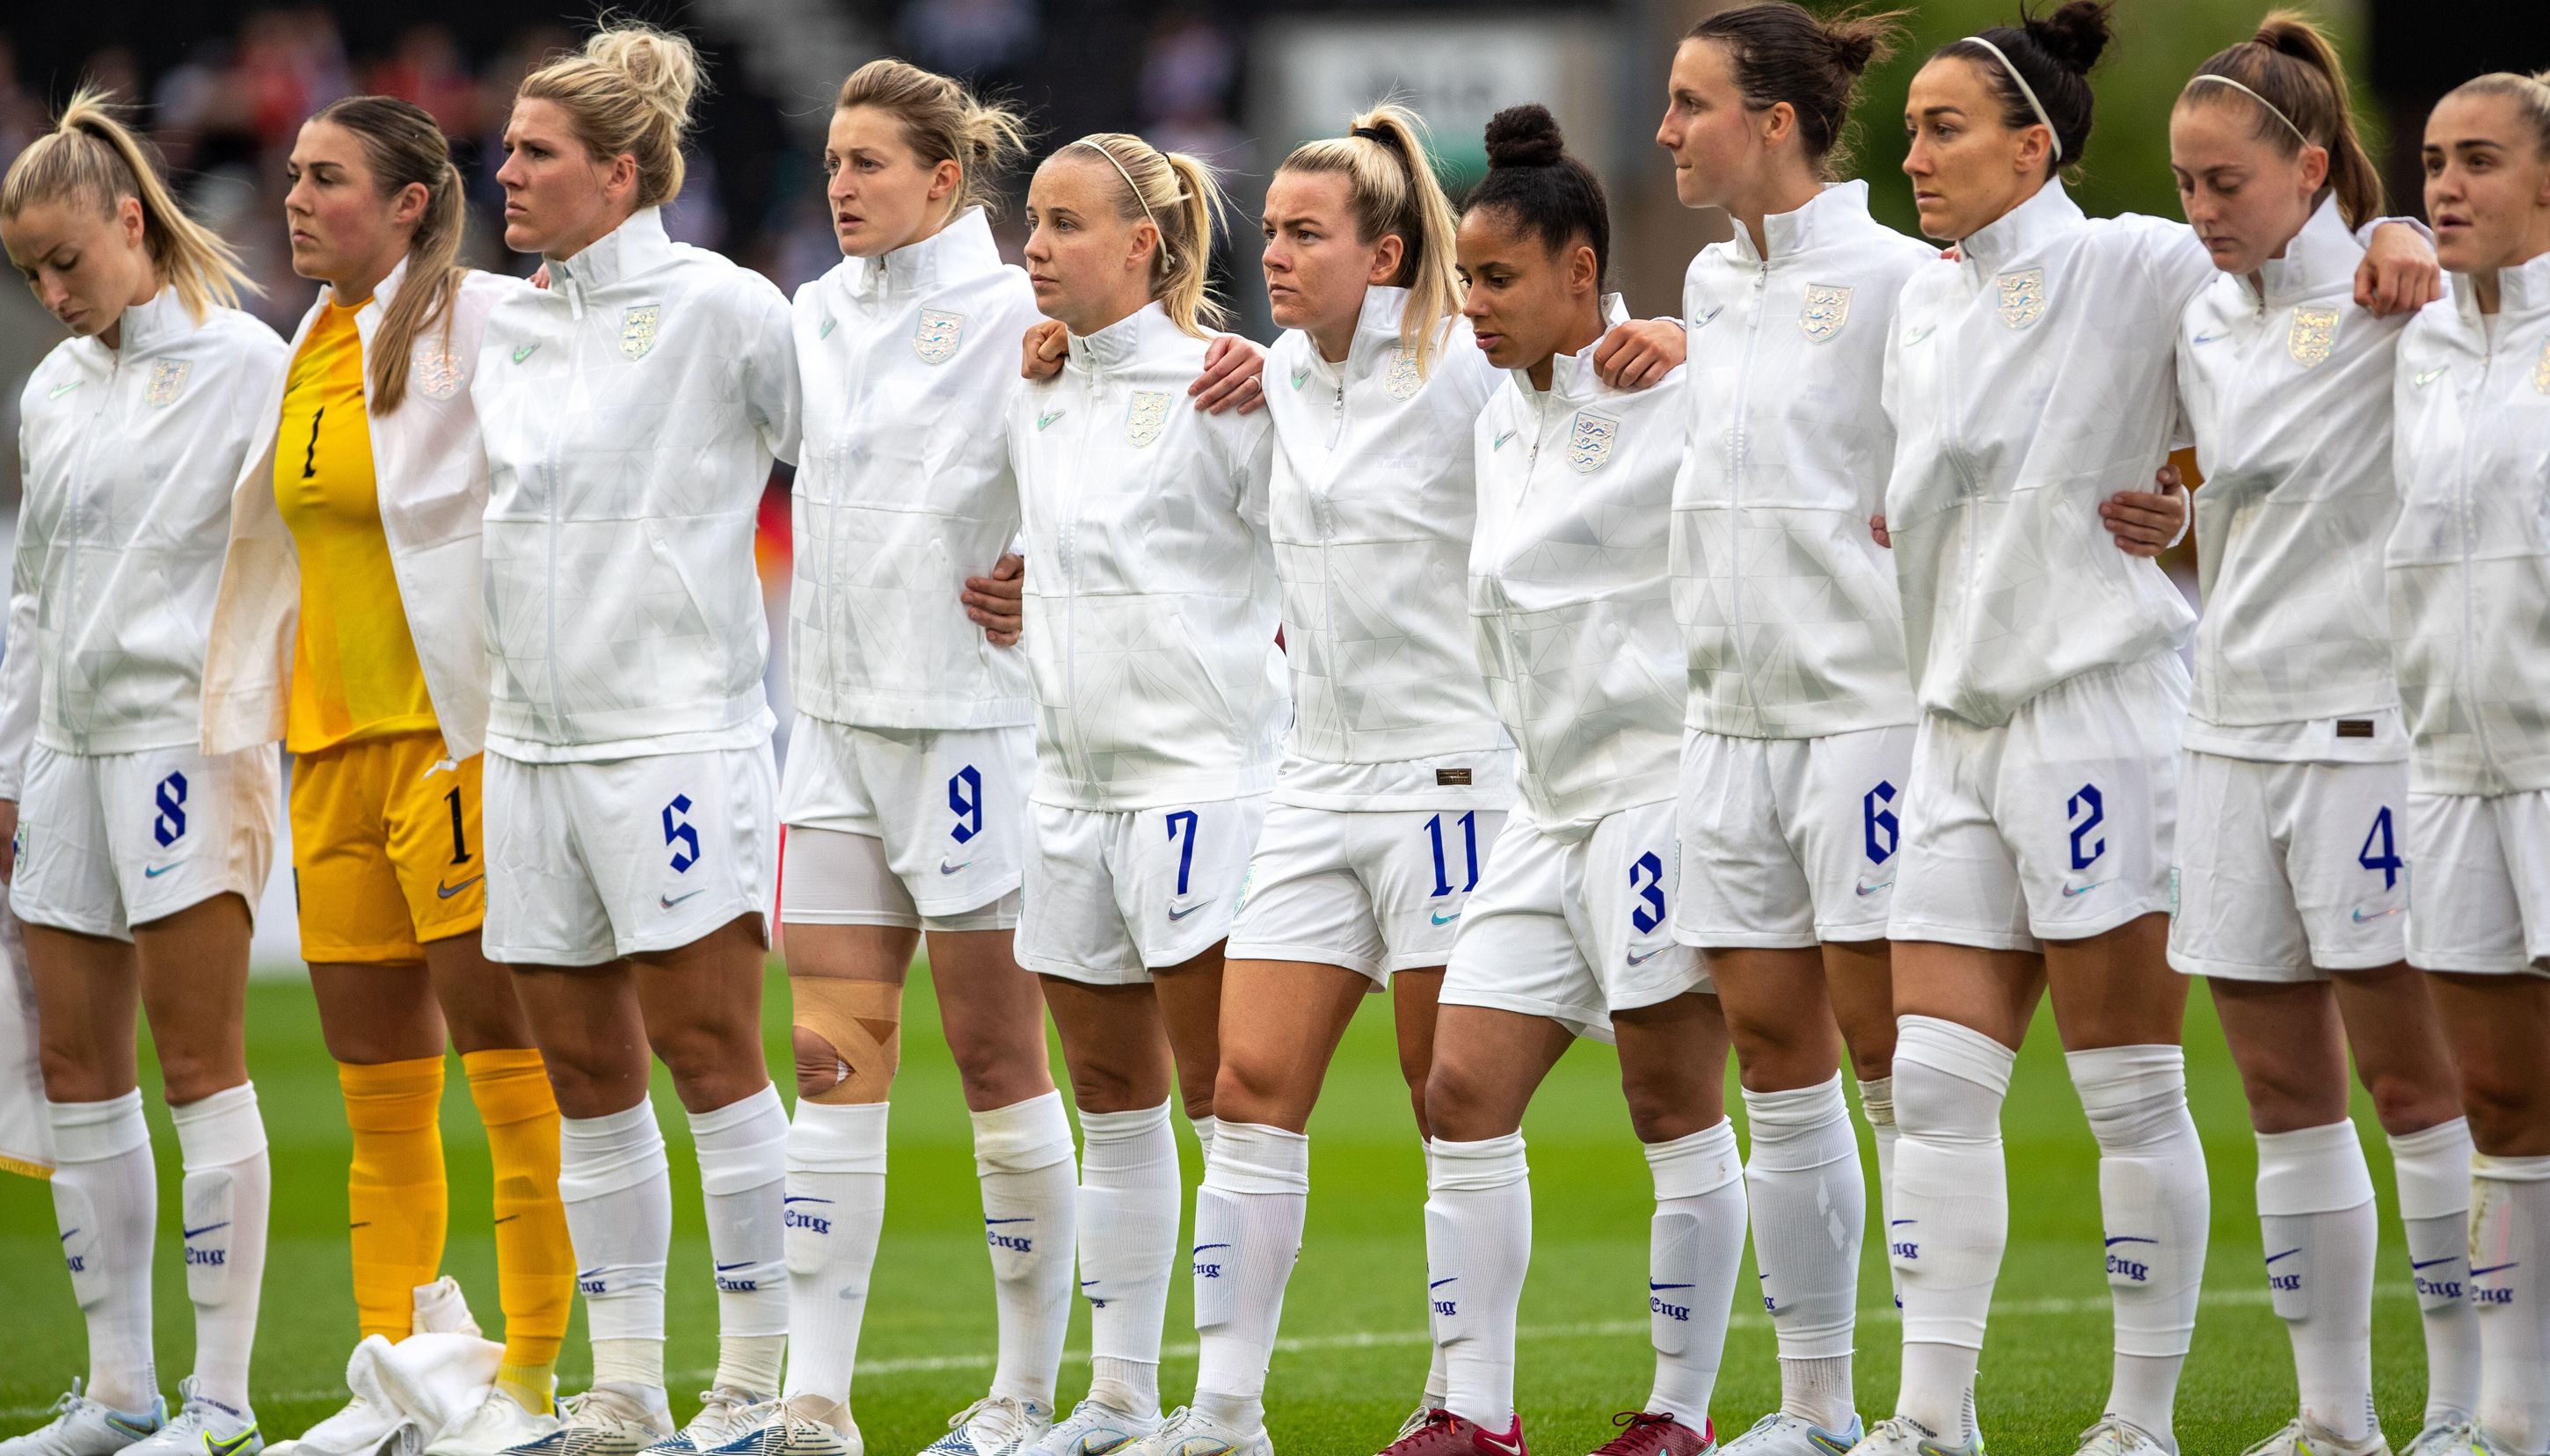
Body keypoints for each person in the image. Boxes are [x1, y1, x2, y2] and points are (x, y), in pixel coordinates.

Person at [1854, 6, 2437, 1455]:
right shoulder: (1920, 299)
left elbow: (2303, 270)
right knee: (1929, 1085)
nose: (1914, 155)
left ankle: (2139, 1419)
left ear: (2032, 147)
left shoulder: (2137, 259)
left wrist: (2398, 232)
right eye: (1911, 128)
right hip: (1952, 722)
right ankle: (1929, 1419)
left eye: (1942, 129)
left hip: (2102, 712)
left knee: (2127, 1090)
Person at [1126, 103, 1685, 1456]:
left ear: (1385, 257)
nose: (1276, 254)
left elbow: (1581, 378)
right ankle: (1223, 1415)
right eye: (1271, 232)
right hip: (1314, 785)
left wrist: (1686, 340)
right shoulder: (1275, 376)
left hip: (1456, 786)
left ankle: (1469, 1403)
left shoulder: (1461, 368)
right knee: (1246, 1088)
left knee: (1454, 1098)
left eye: (1307, 234)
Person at [197, 94, 578, 1456]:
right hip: (325, 756)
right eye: (293, 175)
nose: (295, 199)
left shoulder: (490, 320)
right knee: (379, 1096)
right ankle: (397, 1383)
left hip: (450, 749)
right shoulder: (302, 344)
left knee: (512, 1079)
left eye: (328, 179)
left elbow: (627, 383)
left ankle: (530, 1382)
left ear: (411, 202)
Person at [722, 58, 1067, 1456]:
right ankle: (814, 1400)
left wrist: (1045, 573)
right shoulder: (812, 312)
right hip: (834, 730)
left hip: (969, 729)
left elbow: (1112, 457)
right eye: (831, 162)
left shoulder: (1021, 312)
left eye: (868, 163)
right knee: (830, 1059)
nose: (840, 185)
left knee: (995, 1056)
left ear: (944, 178)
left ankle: (1026, 1393)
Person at [466, 25, 800, 1456]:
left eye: (535, 152)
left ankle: (759, 1382)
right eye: (506, 147)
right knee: (587, 1082)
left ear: (620, 172)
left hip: (675, 739)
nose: (504, 170)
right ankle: (626, 1387)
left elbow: (854, 460)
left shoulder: (725, 307)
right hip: (529, 747)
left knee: (711, 1054)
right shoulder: (504, 320)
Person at [1382, 104, 1728, 1456]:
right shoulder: (1498, 415)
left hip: (1655, 793)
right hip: (1541, 808)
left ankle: (1680, 1412)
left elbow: (1844, 384)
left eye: (1500, 278)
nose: (1473, 304)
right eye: (1466, 279)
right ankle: (1475, 1413)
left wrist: (1712, 343)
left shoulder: (1675, 384)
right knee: (1460, 1092)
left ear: (1583, 271)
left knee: (1671, 1105)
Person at [2161, 20, 2474, 1456]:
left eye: (2225, 183)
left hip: (2363, 739)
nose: (2201, 210)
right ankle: (2334, 1417)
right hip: (2226, 739)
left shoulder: (2393, 290)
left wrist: (2406, 229)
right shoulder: (2200, 315)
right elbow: (2234, 496)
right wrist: (2175, 518)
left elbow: (2485, 286)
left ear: (2307, 167)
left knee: (2418, 1087)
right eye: (2186, 184)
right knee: (2286, 1097)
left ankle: (2471, 1407)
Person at [0, 90, 287, 1456]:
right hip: (65, 751)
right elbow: (32, 598)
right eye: (29, 276)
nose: (53, 296)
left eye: (66, 262)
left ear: (132, 221)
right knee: (74, 1065)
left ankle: (221, 1404)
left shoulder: (248, 364)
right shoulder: (54, 388)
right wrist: (10, 769)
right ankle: (121, 1390)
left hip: (187, 743)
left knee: (198, 1063)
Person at [1003, 130, 1281, 1456]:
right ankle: (1119, 1397)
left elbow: (1317, 544)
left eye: (1065, 224)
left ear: (1143, 245)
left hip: (1196, 783)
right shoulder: (1037, 383)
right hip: (1066, 786)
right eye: (1032, 220)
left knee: (1225, 1099)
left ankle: (1229, 1407)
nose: (1035, 247)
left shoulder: (1226, 387)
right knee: (1109, 1097)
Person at [2389, 66, 2550, 1456]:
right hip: (2449, 771)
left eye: (2480, 160)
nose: (2445, 184)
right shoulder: (2422, 340)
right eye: (2435, 161)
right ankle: (2512, 1416)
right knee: (2498, 1101)